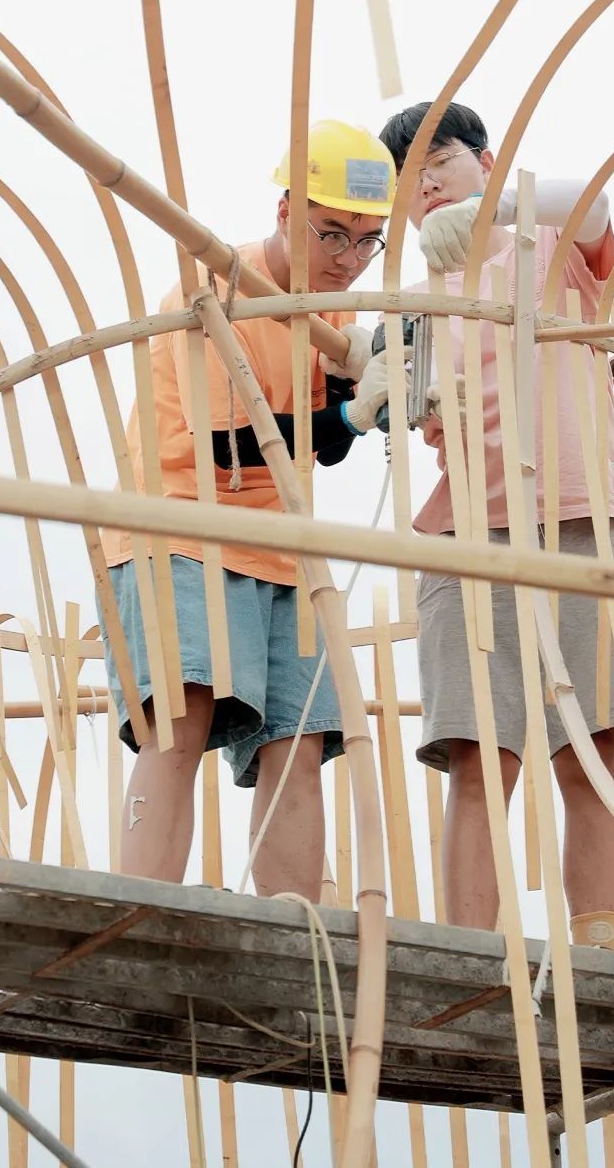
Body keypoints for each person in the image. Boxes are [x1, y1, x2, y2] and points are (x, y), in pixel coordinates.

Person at [97, 121, 398, 901]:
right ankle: (142, 912)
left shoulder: (325, 314)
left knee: (299, 737)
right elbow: (228, 448)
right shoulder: (217, 287)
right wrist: (350, 413)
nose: (349, 256)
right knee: (183, 715)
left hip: (281, 544)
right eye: (332, 232)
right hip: (184, 525)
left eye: (368, 240)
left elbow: (319, 450)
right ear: (286, 209)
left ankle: (295, 933)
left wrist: (355, 394)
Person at [379, 101, 614, 952]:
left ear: (486, 160)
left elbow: (596, 197)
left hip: (579, 521)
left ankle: (599, 954)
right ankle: (468, 958)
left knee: (593, 750)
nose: (425, 185)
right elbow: (384, 393)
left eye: (441, 161)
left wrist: (489, 210)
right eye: (408, 179)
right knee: (479, 757)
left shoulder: (550, 244)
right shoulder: (413, 298)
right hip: (466, 534)